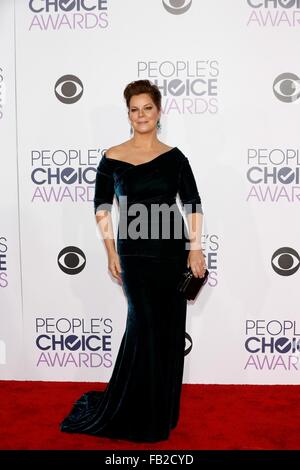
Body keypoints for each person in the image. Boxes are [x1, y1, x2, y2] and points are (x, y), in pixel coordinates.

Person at [60, 79, 206, 442]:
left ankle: (161, 410)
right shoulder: (112, 156)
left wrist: (195, 247)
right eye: (134, 109)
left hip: (171, 249)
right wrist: (110, 250)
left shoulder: (175, 157)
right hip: (135, 251)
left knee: (168, 329)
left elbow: (192, 202)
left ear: (159, 112)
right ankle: (134, 408)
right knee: (143, 326)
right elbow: (102, 206)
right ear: (128, 114)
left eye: (148, 108)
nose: (141, 115)